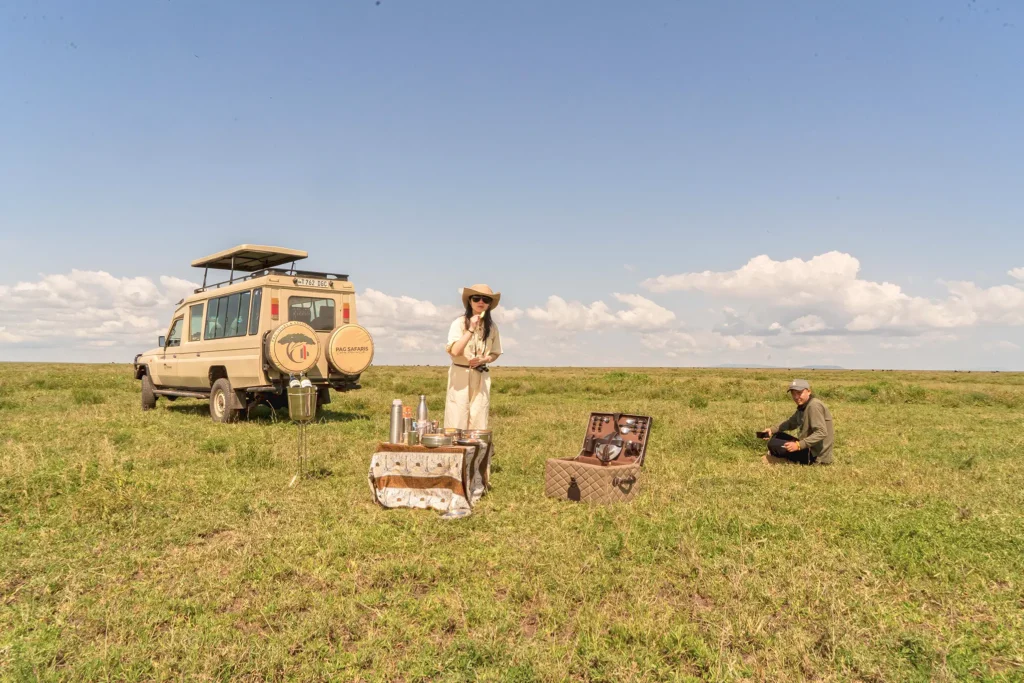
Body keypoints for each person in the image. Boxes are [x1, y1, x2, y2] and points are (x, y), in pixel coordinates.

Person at [444, 284, 503, 430]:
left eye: (486, 299)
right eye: (476, 298)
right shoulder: (459, 323)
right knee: (457, 420)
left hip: (481, 375)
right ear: (470, 301)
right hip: (460, 375)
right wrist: (471, 328)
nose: (481, 302)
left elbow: (495, 353)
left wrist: (486, 359)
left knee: (479, 420)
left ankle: (477, 451)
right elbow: (455, 351)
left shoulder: (492, 327)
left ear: (489, 304)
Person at [761, 379, 834, 465]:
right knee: (777, 435)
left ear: (809, 391)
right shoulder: (804, 406)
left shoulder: (814, 406)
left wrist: (799, 445)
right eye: (793, 394)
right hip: (810, 447)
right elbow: (791, 423)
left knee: (773, 444)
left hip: (816, 456)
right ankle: (783, 457)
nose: (796, 397)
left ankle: (784, 460)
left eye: (799, 393)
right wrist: (771, 430)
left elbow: (821, 432)